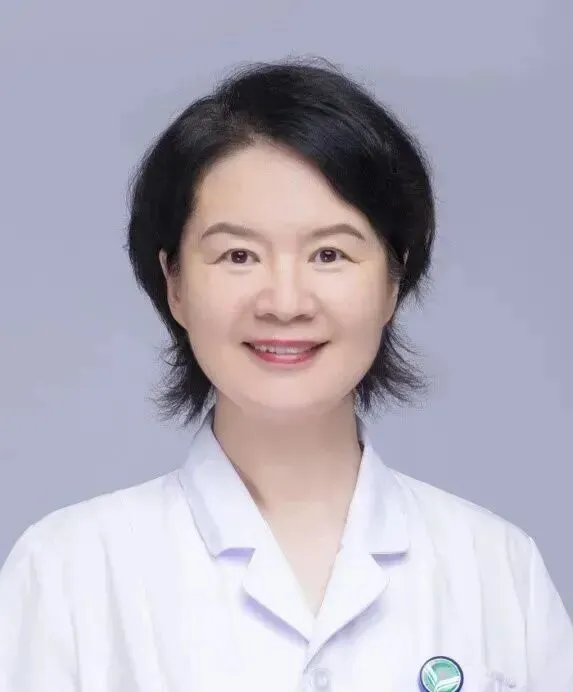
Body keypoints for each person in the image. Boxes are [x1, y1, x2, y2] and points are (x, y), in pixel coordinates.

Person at [0, 58, 571, 692]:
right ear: (174, 284)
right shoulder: (67, 572)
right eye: (238, 255)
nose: (285, 302)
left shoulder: (499, 570)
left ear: (393, 281)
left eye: (329, 253)